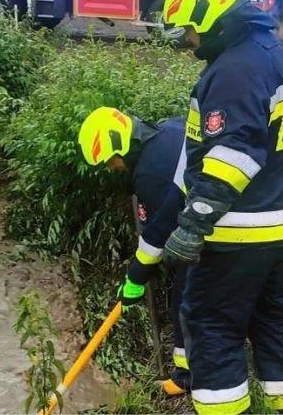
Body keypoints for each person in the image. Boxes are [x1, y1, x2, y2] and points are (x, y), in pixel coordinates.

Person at [159, 0, 283, 414]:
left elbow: (234, 155)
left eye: (190, 29)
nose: (188, 41)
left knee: (212, 328)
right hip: (280, 226)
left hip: (237, 233)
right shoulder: (272, 52)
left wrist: (192, 224)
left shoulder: (235, 71)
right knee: (277, 324)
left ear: (212, 21)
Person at [76, 107, 192, 397]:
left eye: (108, 161)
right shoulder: (170, 129)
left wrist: (135, 279)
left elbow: (156, 235)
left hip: (211, 236)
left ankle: (188, 376)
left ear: (120, 146)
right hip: (236, 218)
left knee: (185, 300)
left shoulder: (151, 173)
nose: (110, 168)